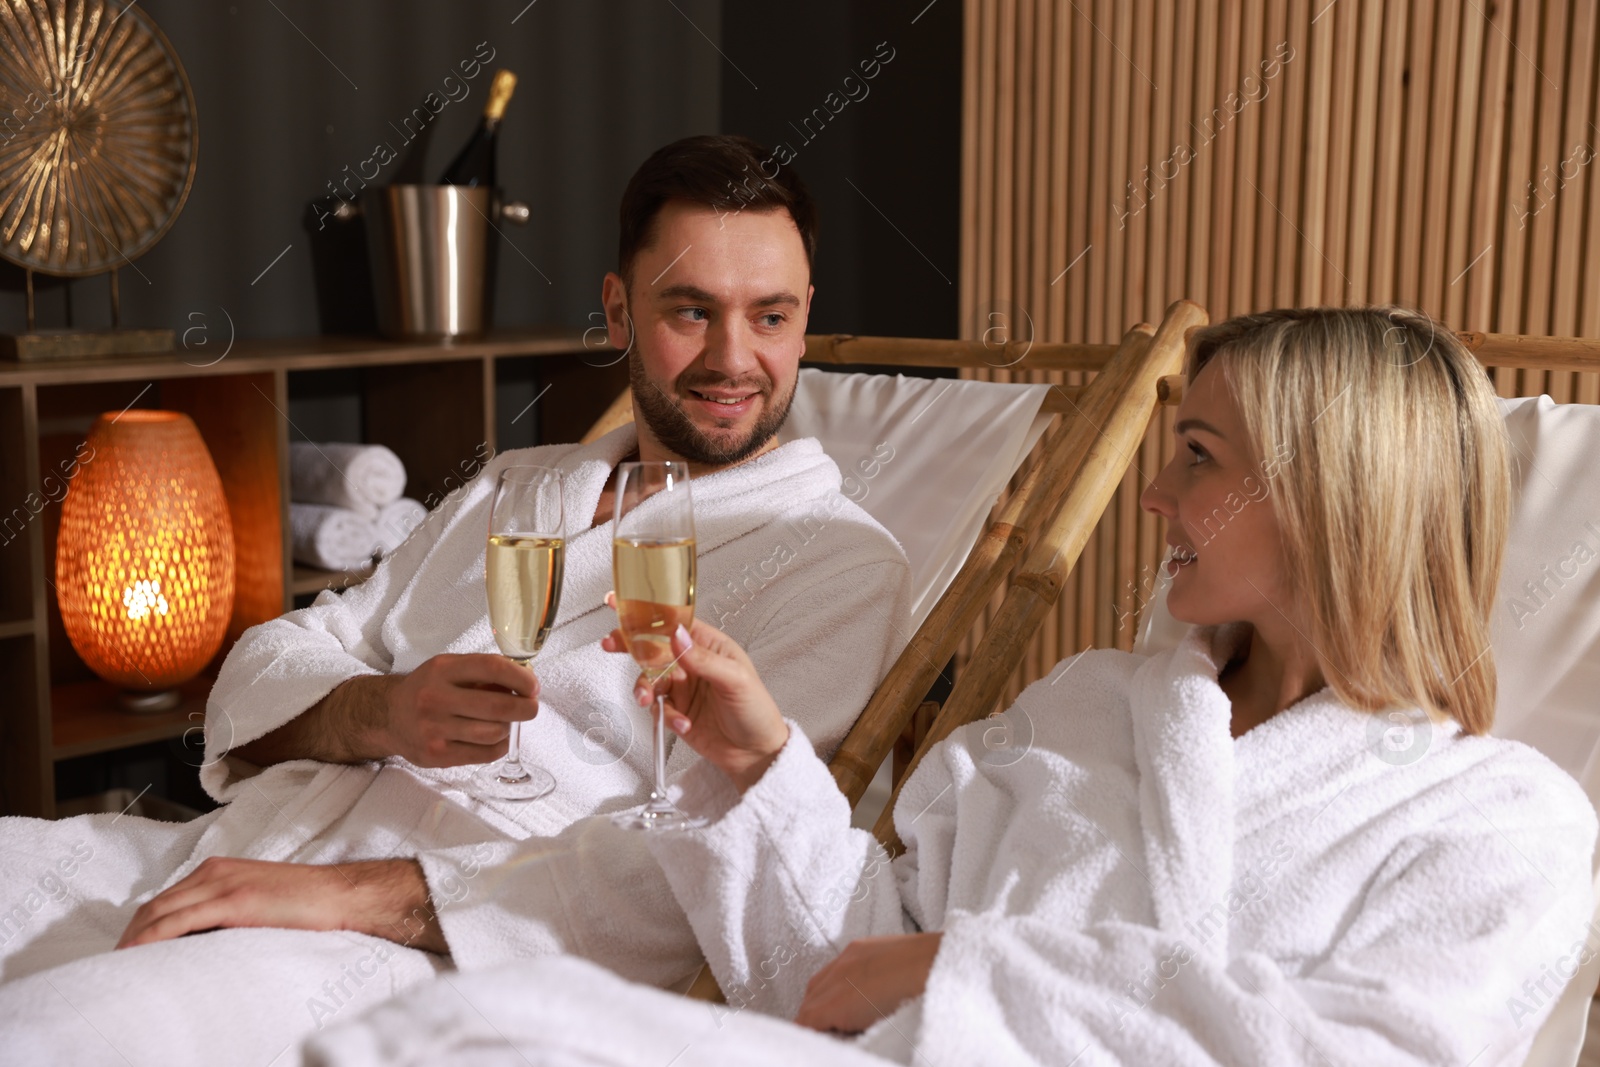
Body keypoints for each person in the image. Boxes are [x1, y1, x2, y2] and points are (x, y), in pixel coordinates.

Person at [306, 307, 1595, 1066]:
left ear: (1325, 497)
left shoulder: (1505, 823)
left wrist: (967, 970)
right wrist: (760, 770)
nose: (1154, 496)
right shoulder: (1086, 705)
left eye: (1196, 459)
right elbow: (831, 970)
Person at [0, 135, 912, 1065]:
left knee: (59, 1037)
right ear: (617, 313)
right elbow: (278, 655)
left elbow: (705, 868)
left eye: (769, 316)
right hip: (250, 845)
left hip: (427, 943)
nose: (733, 357)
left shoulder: (836, 566)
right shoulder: (515, 490)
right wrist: (382, 709)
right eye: (691, 310)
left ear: (804, 323)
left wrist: (355, 895)